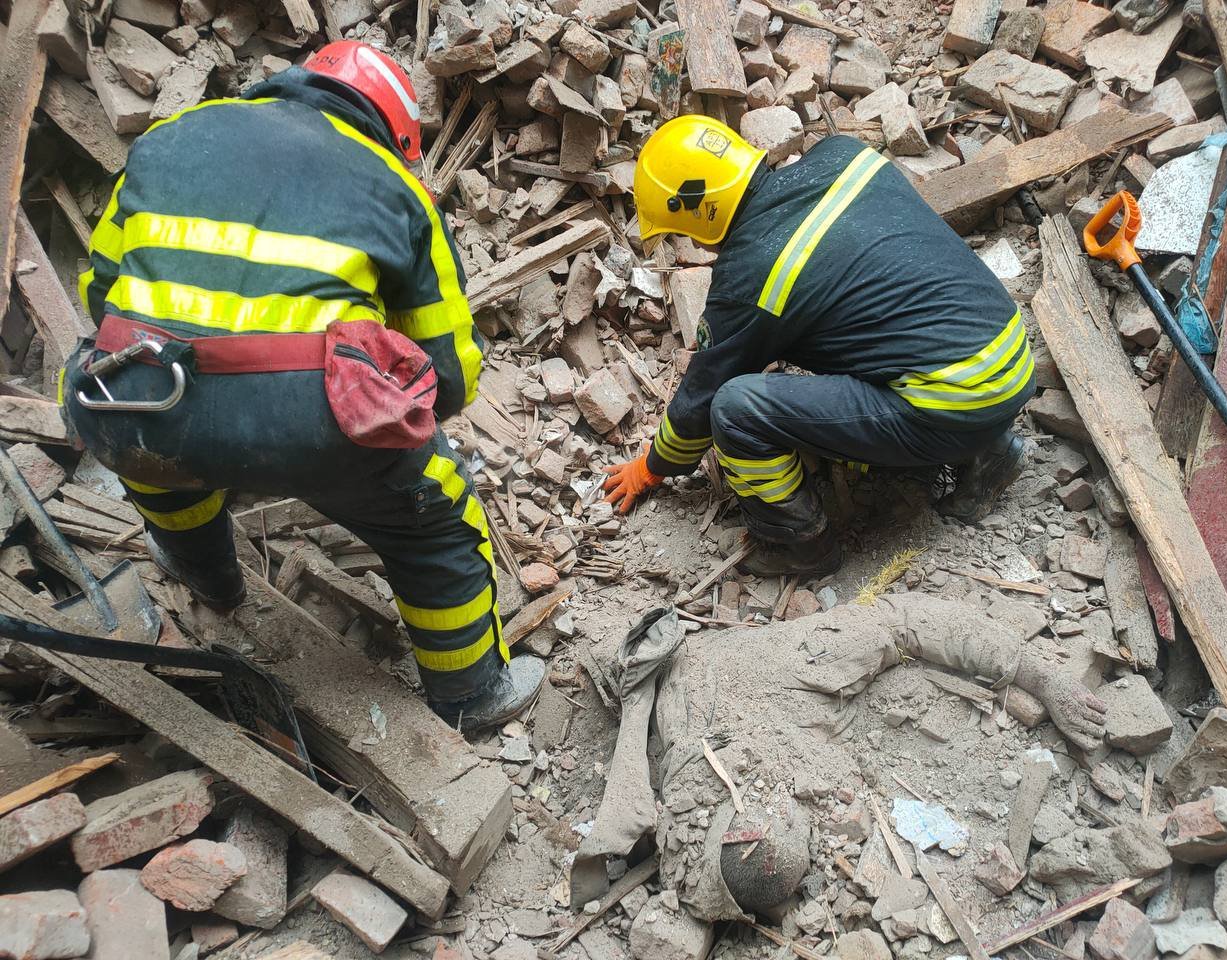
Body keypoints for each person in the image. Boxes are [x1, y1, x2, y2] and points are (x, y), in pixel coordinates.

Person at [61, 41, 543, 734]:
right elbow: (448, 373)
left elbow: (98, 291)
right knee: (434, 526)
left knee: (162, 457)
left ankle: (212, 581)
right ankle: (472, 698)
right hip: (312, 423)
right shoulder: (394, 186)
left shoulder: (171, 136)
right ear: (393, 130)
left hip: (134, 396)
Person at [604, 116, 1034, 578]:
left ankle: (802, 547)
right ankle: (988, 450)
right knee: (884, 334)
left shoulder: (754, 273)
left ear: (697, 212)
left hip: (949, 400)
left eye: (682, 230)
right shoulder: (842, 155)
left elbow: (703, 394)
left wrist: (653, 466)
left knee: (736, 411)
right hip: (1007, 352)